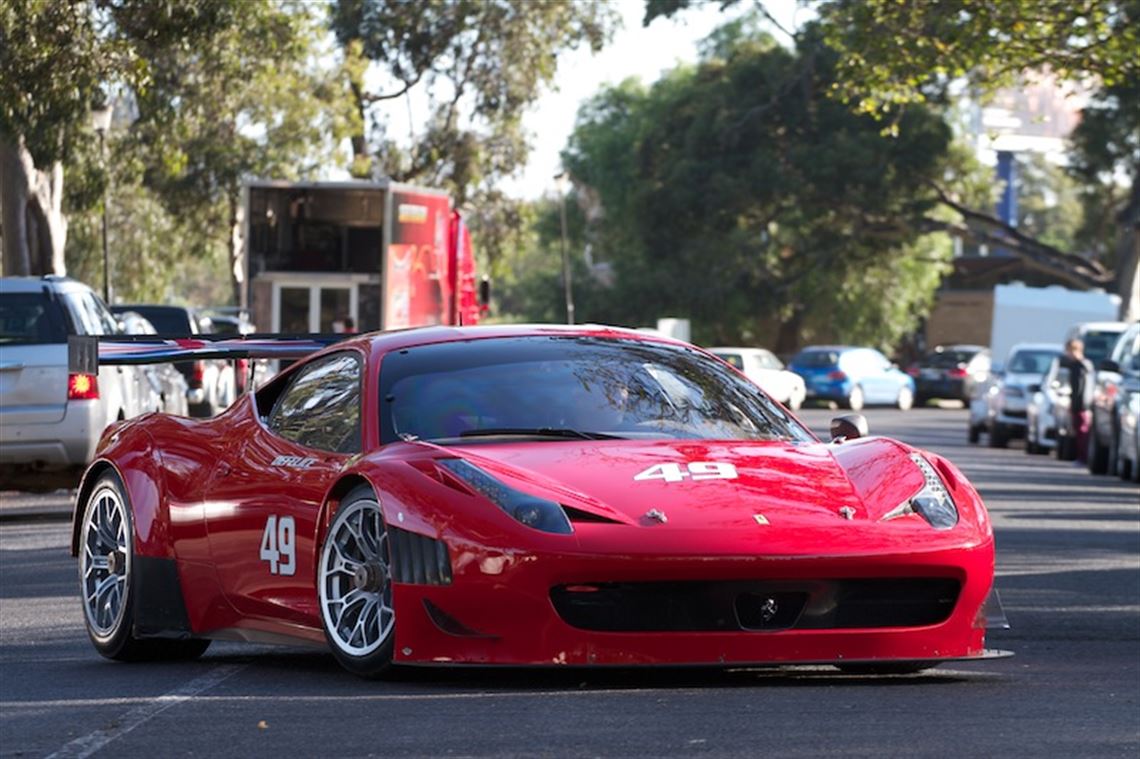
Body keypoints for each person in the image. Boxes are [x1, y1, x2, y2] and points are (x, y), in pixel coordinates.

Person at [1061, 338, 1094, 463]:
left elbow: (1079, 389)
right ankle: (1082, 457)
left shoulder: (1078, 366)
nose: (1067, 355)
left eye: (1068, 351)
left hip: (1081, 405)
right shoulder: (1085, 365)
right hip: (1083, 404)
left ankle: (1083, 457)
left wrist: (1075, 404)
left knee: (1082, 432)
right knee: (1080, 432)